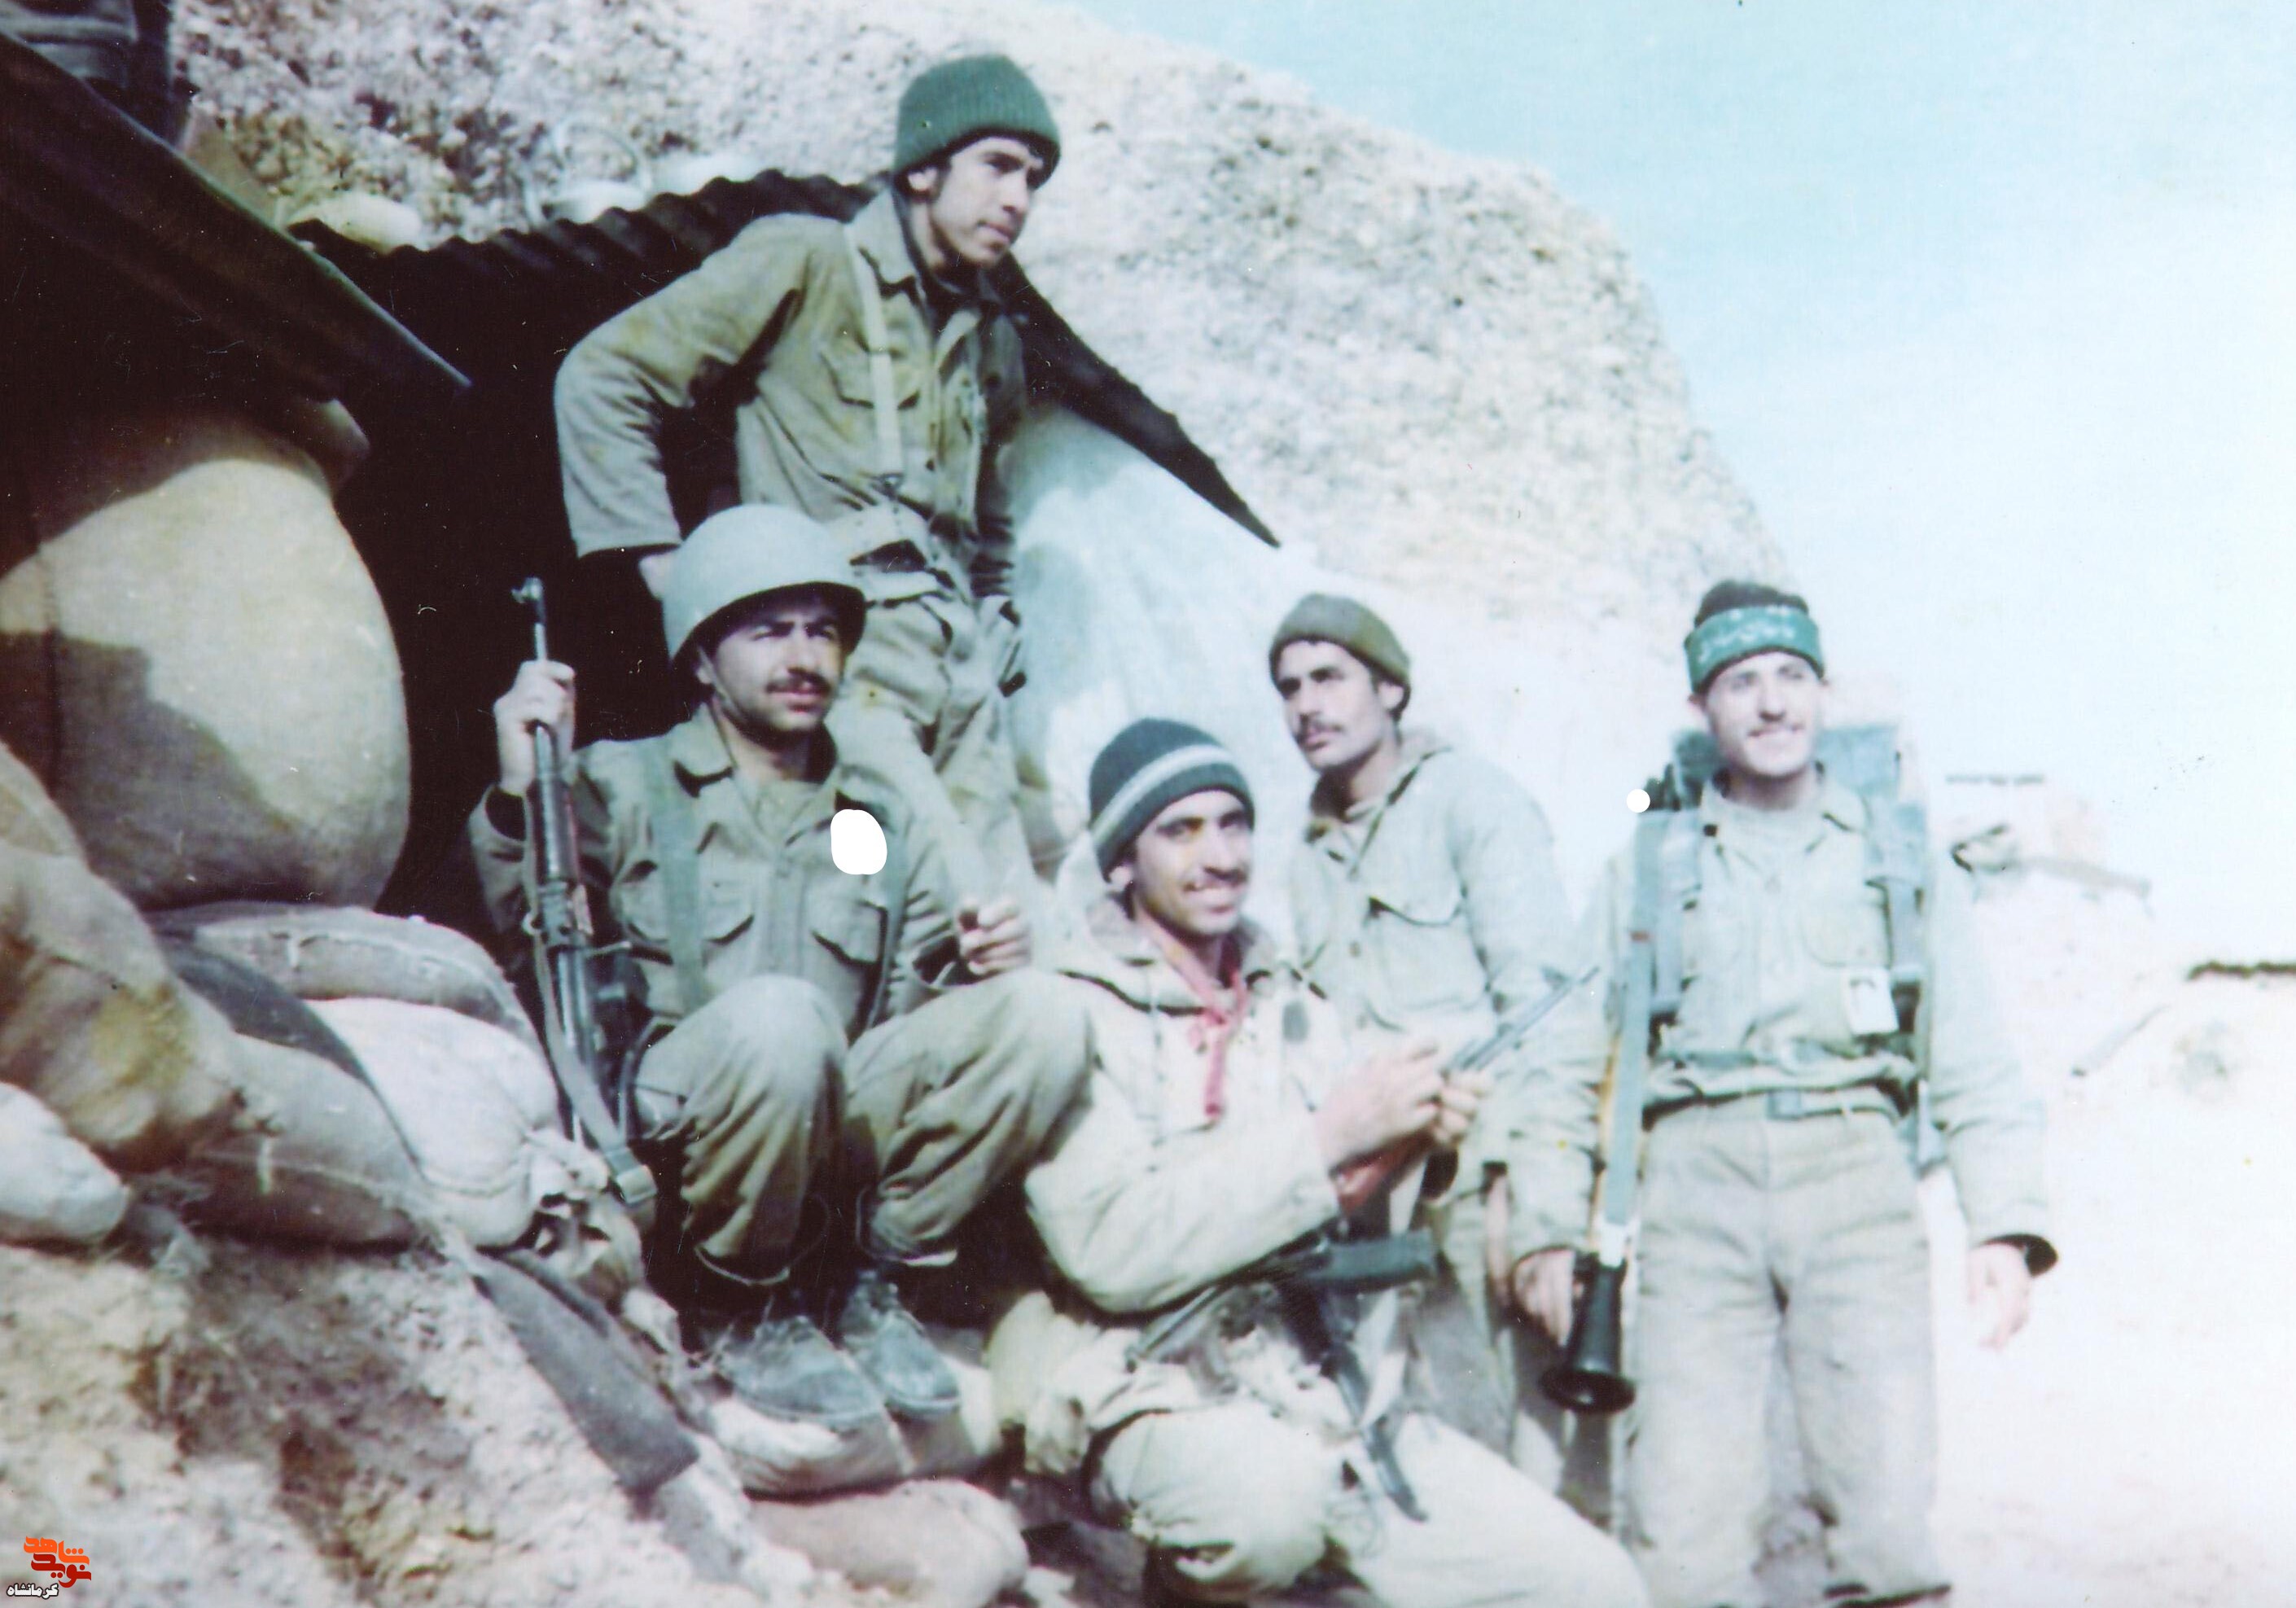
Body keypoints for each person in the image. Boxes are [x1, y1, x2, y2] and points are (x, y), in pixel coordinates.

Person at [986, 718, 1648, 1608]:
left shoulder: (1290, 996)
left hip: (1323, 1395)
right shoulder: (1070, 1014)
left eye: (1234, 823)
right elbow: (1112, 1249)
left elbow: (1344, 1211)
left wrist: (1416, 1147)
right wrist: (1330, 1138)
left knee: (1594, 1585)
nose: (1221, 856)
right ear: (1120, 863)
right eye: (1181, 831)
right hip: (1150, 1388)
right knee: (1270, 1511)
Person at [473, 504, 1087, 1431]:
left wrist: (976, 967)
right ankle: (739, 1302)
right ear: (701, 659)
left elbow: (910, 1002)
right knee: (783, 1017)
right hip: (684, 1141)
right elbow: (523, 932)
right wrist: (524, 784)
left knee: (1043, 1013)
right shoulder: (623, 785)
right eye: (769, 632)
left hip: (827, 1133)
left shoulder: (865, 820)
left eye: (823, 631)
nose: (804, 657)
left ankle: (866, 1279)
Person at [1518, 581, 2055, 1608]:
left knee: (1885, 1520)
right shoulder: (1647, 866)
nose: (1771, 703)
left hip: (1857, 1183)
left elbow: (1974, 1053)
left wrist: (2004, 1225)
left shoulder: (1897, 857)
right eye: (1741, 683)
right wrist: (1547, 1223)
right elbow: (1564, 1061)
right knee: (1683, 1533)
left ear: (1823, 689)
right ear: (1702, 708)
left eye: (1791, 676)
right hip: (1694, 1194)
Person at [553, 53, 1063, 899]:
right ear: (924, 170)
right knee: (937, 897)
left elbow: (989, 513)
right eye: (998, 166)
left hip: (961, 673)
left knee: (1017, 918)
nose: (1018, 200)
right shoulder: (806, 259)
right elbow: (605, 377)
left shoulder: (992, 338)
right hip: (838, 657)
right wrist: (670, 569)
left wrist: (996, 607)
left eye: (1034, 180)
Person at [1268, 594, 1607, 1488]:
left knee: (1548, 1470)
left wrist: (1540, 1214)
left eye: (1330, 678)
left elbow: (1553, 1012)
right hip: (1386, 1208)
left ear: (1391, 688)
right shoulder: (1308, 856)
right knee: (1443, 1467)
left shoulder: (1473, 803)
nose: (1308, 705)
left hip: (1487, 1188)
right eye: (1289, 688)